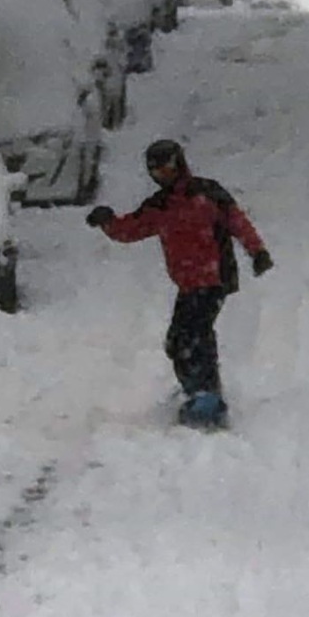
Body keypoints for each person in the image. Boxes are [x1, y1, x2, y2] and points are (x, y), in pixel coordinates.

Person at [86, 139, 273, 426]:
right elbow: (131, 229)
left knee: (196, 336)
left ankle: (207, 396)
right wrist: (108, 222)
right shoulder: (159, 206)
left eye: (169, 168)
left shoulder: (208, 194)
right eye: (157, 172)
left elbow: (238, 222)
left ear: (181, 164)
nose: (164, 175)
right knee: (177, 341)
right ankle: (197, 392)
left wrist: (257, 251)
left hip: (214, 279)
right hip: (188, 283)